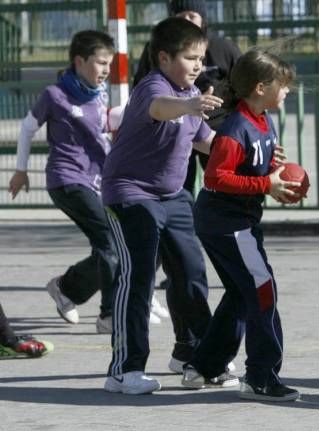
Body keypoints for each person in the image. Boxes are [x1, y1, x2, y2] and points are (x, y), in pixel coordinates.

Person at [101, 17, 232, 395]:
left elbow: (208, 141)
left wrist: (256, 156)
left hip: (174, 197)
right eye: (190, 57)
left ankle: (195, 353)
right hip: (130, 194)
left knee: (191, 272)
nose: (197, 65)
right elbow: (161, 109)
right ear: (163, 57)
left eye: (201, 58)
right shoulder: (153, 88)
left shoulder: (191, 96)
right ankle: (124, 370)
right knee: (138, 277)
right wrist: (190, 104)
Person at [182, 49, 301, 402]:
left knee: (241, 293)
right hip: (227, 222)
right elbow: (217, 178)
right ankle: (261, 376)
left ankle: (204, 365)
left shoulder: (262, 119)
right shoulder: (235, 126)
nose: (288, 91)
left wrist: (272, 171)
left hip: (236, 220)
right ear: (261, 86)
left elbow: (251, 167)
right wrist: (267, 185)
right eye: (283, 85)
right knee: (263, 291)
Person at [8, 30, 119, 334]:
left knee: (109, 247)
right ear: (79, 61)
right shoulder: (54, 95)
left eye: (109, 63)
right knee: (111, 243)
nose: (107, 70)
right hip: (66, 180)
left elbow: (104, 133)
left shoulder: (101, 95)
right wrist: (20, 170)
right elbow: (27, 128)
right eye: (101, 62)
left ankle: (67, 289)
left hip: (95, 181)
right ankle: (109, 316)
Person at [133, 0, 242, 193]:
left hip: (216, 128)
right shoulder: (158, 50)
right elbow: (146, 92)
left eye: (192, 16)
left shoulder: (224, 48)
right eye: (181, 16)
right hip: (174, 129)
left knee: (224, 188)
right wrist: (186, 105)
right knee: (180, 190)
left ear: (203, 20)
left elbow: (243, 85)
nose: (187, 21)